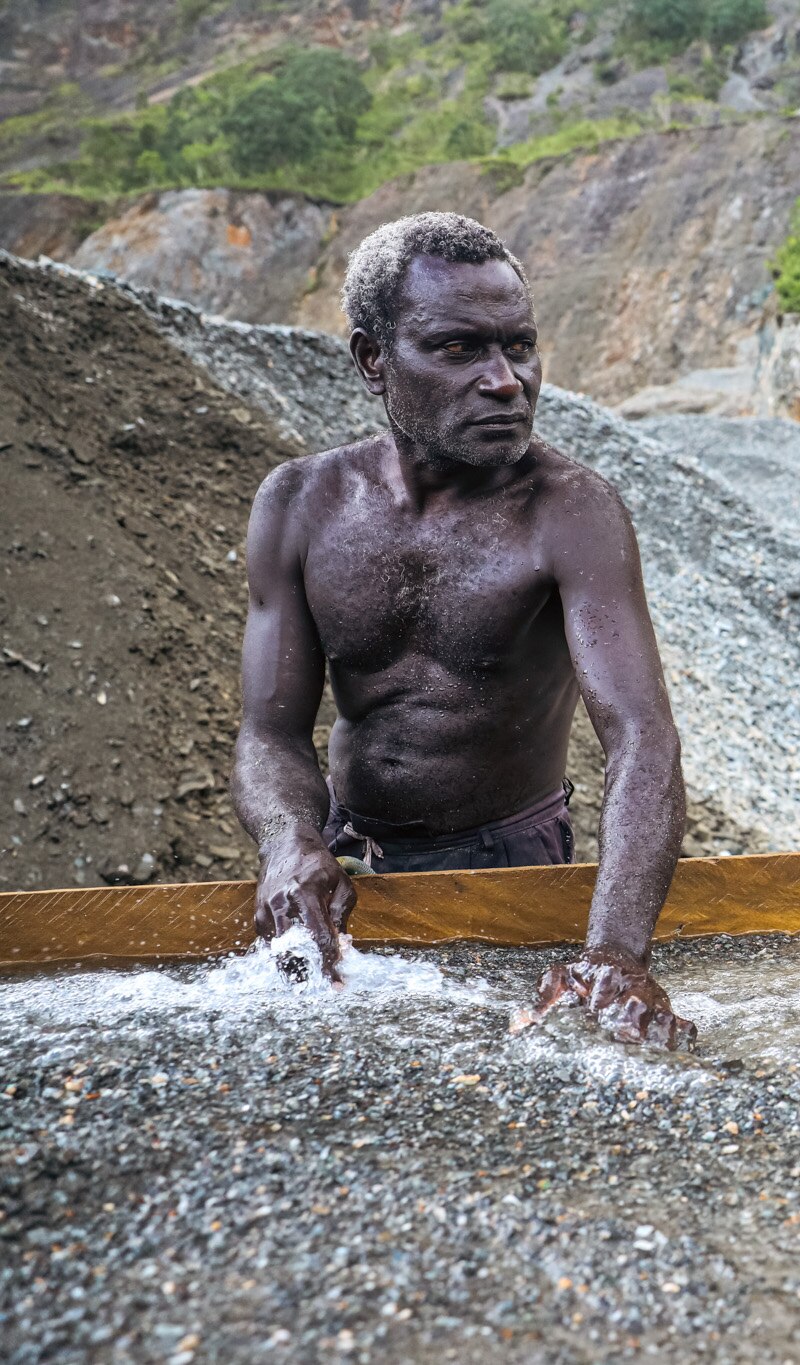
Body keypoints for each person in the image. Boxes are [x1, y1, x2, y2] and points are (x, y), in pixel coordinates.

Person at [232, 212, 692, 1049]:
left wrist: (616, 952)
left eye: (519, 345)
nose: (507, 380)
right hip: (340, 860)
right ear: (374, 360)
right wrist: (289, 840)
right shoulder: (300, 504)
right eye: (458, 349)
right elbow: (269, 732)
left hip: (505, 863)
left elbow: (642, 739)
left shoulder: (572, 514)